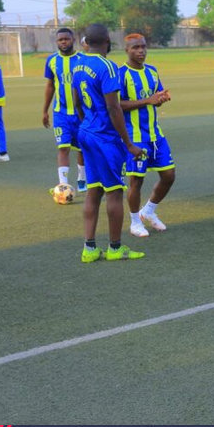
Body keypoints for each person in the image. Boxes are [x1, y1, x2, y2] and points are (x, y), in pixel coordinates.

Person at [72, 24, 145, 262]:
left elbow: (77, 101)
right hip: (105, 137)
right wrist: (129, 144)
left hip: (86, 131)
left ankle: (89, 248)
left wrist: (87, 123)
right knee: (114, 192)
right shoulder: (107, 67)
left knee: (94, 190)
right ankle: (115, 248)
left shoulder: (78, 63)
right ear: (107, 41)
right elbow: (114, 107)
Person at [119, 34, 175, 238]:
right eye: (135, 48)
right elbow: (116, 105)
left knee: (169, 175)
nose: (141, 51)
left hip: (155, 134)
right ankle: (134, 222)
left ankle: (148, 211)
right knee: (136, 181)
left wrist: (161, 98)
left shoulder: (152, 71)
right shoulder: (121, 74)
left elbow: (155, 97)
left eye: (143, 47)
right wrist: (148, 100)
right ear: (127, 50)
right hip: (135, 136)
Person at [42, 28, 87, 190]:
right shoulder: (52, 60)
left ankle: (82, 178)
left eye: (66, 39)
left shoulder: (83, 59)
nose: (63, 42)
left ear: (73, 39)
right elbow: (49, 86)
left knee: (83, 147)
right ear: (57, 42)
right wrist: (45, 110)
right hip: (61, 113)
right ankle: (63, 184)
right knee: (63, 147)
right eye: (60, 40)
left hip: (82, 114)